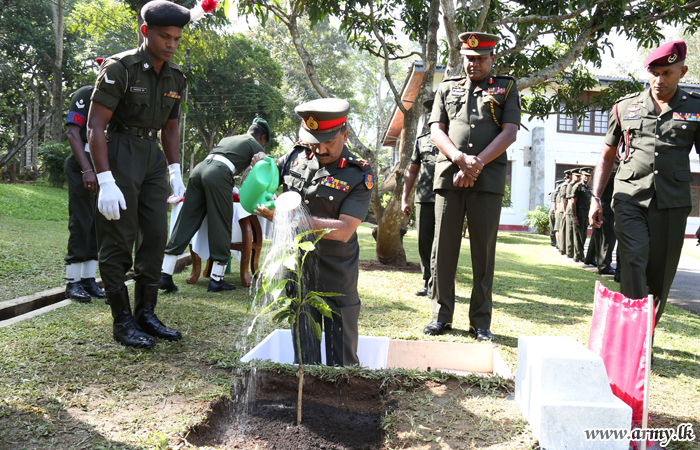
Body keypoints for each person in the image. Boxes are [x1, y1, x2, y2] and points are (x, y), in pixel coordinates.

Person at [87, 0, 196, 349]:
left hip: (152, 159)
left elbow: (170, 127)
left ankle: (146, 313)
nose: (171, 44)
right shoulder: (121, 68)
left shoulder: (175, 76)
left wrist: (175, 168)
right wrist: (104, 179)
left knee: (154, 235)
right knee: (118, 237)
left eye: (177, 38)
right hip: (119, 151)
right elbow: (95, 125)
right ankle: (122, 320)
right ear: (145, 31)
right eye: (165, 36)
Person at [589, 40, 700, 326]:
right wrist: (595, 198)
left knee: (660, 275)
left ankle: (646, 331)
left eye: (667, 73)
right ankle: (634, 332)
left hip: (672, 203)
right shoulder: (626, 107)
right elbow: (607, 156)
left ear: (682, 71)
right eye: (654, 72)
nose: (659, 80)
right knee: (634, 260)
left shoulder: (695, 109)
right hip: (628, 198)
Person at [255, 98, 373, 367]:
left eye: (328, 141)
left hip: (336, 276)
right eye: (313, 141)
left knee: (341, 360)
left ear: (344, 133)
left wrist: (293, 219)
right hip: (298, 271)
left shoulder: (358, 173)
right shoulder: (296, 157)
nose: (320, 149)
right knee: (304, 357)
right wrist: (261, 164)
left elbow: (344, 230)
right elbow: (268, 176)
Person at [423, 32, 520, 341]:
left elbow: (510, 132)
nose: (473, 64)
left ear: (492, 59)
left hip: (486, 181)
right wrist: (459, 158)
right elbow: (436, 130)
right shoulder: (446, 88)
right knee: (444, 249)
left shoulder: (506, 88)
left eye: (480, 59)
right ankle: (441, 315)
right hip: (449, 177)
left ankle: (480, 321)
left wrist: (475, 163)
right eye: (468, 58)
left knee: (483, 252)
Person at [158, 119, 269, 293]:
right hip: (218, 174)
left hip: (199, 170)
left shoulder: (229, 139)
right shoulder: (255, 145)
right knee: (221, 223)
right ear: (262, 137)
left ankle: (165, 273)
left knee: (186, 219)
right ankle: (217, 279)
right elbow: (256, 174)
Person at [64, 81, 105, 302]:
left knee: (97, 224)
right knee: (81, 221)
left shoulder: (117, 99)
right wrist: (87, 169)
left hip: (104, 165)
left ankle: (88, 280)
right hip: (83, 163)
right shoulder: (86, 95)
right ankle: (72, 283)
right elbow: (72, 133)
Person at [401, 96, 438, 297]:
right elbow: (412, 171)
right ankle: (427, 282)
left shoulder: (457, 139)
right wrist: (404, 198)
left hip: (447, 199)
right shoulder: (421, 141)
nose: (433, 116)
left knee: (442, 243)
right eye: (430, 114)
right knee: (424, 242)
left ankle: (440, 283)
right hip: (424, 199)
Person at [585, 161, 617, 275]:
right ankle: (604, 266)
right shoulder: (613, 176)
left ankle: (594, 260)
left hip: (599, 209)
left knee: (598, 238)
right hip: (608, 211)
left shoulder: (599, 178)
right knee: (607, 240)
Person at [571, 168, 591, 262]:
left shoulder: (588, 188)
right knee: (578, 235)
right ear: (582, 176)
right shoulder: (577, 186)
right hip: (579, 214)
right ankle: (578, 255)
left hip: (585, 215)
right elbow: (573, 202)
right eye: (585, 175)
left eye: (588, 176)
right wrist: (575, 217)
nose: (587, 177)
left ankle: (579, 254)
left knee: (583, 235)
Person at [564, 169, 582, 259]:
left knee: (574, 232)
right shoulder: (570, 185)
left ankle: (574, 251)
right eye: (576, 176)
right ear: (572, 176)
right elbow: (569, 200)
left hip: (575, 210)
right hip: (570, 211)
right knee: (570, 231)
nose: (578, 178)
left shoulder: (578, 185)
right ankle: (569, 251)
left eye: (579, 176)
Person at [557, 169, 573, 255]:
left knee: (565, 230)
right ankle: (562, 248)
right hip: (563, 210)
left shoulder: (568, 184)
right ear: (570, 176)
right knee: (563, 229)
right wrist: (564, 212)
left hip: (565, 209)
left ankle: (564, 248)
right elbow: (563, 200)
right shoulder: (565, 185)